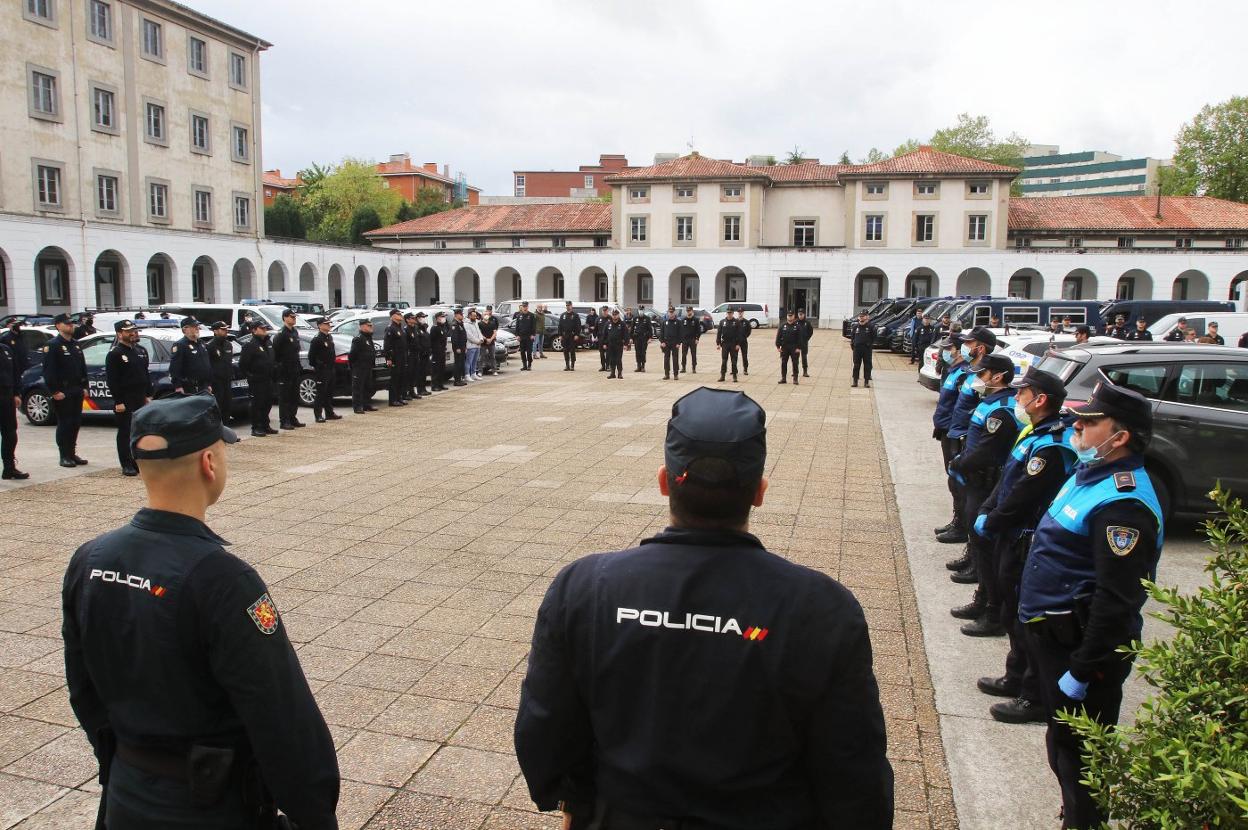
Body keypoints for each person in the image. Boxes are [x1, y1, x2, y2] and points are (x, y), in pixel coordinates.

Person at [515, 387, 893, 829]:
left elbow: (545, 723)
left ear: (662, 482)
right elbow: (851, 759)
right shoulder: (822, 606)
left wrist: (572, 799)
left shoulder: (584, 587)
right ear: (759, 493)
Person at [61, 395, 340, 828]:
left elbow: (83, 687)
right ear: (209, 463)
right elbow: (280, 716)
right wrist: (315, 813)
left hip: (126, 795)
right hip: (211, 806)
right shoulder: (224, 580)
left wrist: (123, 764)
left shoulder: (90, 559)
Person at [1019, 382, 1164, 830]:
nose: (1077, 425)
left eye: (1090, 422)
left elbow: (1117, 602)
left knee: (1080, 760)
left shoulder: (1123, 506)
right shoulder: (1090, 475)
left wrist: (1083, 670)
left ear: (1119, 437)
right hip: (1053, 637)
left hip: (1081, 649)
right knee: (1062, 746)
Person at [972, 367, 1077, 726]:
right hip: (1009, 532)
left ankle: (1032, 695)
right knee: (1010, 610)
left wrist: (995, 517)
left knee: (1025, 617)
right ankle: (1014, 676)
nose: (1017, 398)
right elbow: (1007, 480)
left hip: (1023, 537)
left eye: (1023, 393)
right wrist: (988, 509)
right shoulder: (1034, 432)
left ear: (1041, 399)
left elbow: (1022, 495)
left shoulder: (1051, 444)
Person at [947, 352, 1021, 638]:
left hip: (985, 479)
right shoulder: (988, 402)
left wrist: (959, 463)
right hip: (974, 478)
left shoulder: (1002, 408)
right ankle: (982, 597)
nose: (978, 378)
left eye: (983, 374)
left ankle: (991, 610)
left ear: (998, 376)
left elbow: (988, 451)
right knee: (977, 538)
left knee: (985, 543)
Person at [931, 330, 974, 543]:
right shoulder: (953, 370)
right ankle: (957, 520)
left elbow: (961, 407)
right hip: (947, 430)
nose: (944, 352)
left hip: (955, 433)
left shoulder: (964, 373)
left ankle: (962, 526)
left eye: (949, 349)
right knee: (952, 478)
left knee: (958, 480)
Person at [104, 320, 152, 477]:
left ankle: (136, 460)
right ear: (120, 334)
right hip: (125, 399)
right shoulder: (115, 354)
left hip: (139, 397)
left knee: (138, 432)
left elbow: (145, 374)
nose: (133, 333)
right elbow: (113, 380)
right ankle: (126, 463)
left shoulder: (139, 351)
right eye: (128, 331)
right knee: (125, 432)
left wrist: (148, 394)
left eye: (134, 330)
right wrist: (118, 401)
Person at [43, 313, 89, 467]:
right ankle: (64, 455)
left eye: (72, 323)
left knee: (75, 422)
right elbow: (49, 371)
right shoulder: (53, 345)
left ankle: (72, 452)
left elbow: (82, 367)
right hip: (63, 390)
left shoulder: (75, 344)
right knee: (65, 423)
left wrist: (84, 386)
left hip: (76, 389)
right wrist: (54, 391)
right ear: (58, 325)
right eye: (67, 323)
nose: (71, 326)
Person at [238, 319, 277, 437]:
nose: (265, 330)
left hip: (268, 378)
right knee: (257, 404)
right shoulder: (250, 345)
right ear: (254, 330)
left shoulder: (267, 342)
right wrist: (251, 376)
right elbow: (243, 364)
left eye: (265, 328)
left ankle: (265, 425)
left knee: (267, 403)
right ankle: (256, 427)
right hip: (257, 380)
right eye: (262, 328)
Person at [0, 332, 28, 480]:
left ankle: (9, 468)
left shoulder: (5, 349)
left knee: (10, 434)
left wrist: (16, 393)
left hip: (6, 396)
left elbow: (15, 373)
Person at [307, 317, 340, 423]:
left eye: (329, 323)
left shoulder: (329, 337)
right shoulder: (317, 339)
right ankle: (318, 415)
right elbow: (311, 356)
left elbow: (332, 352)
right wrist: (319, 366)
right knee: (321, 393)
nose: (329, 325)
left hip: (330, 368)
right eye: (326, 324)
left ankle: (329, 413)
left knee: (329, 392)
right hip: (322, 370)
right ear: (320, 326)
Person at [169, 318, 212, 396]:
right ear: (185, 329)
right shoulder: (180, 345)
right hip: (190, 387)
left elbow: (206, 364)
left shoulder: (201, 343)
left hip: (203, 385)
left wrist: (208, 383)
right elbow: (175, 368)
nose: (197, 328)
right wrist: (178, 386)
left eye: (197, 326)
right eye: (193, 326)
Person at [205, 322, 234, 425]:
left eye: (226, 329)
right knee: (218, 407)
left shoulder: (228, 344)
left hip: (227, 380)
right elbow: (207, 366)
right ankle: (217, 432)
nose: (226, 331)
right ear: (215, 331)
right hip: (216, 382)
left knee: (227, 406)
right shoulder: (210, 346)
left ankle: (226, 431)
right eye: (223, 329)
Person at [349, 318, 378, 412]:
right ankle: (357, 407)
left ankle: (367, 404)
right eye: (368, 326)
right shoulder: (358, 339)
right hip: (359, 367)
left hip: (368, 367)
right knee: (358, 388)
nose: (371, 327)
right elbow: (352, 355)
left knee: (367, 386)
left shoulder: (368, 338)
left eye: (371, 325)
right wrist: (355, 366)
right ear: (362, 327)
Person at [383, 309, 408, 406]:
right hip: (395, 357)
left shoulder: (399, 328)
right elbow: (387, 344)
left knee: (401, 378)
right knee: (394, 379)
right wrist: (388, 358)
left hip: (402, 357)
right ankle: (393, 400)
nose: (400, 315)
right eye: (398, 314)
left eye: (400, 314)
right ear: (393, 316)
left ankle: (399, 397)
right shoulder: (390, 328)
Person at [775, 309, 807, 384]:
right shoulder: (783, 326)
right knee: (783, 363)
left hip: (794, 348)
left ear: (794, 316)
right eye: (788, 316)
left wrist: (799, 348)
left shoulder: (797, 326)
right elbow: (778, 336)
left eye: (791, 316)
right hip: (784, 347)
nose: (790, 317)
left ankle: (795, 379)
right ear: (787, 316)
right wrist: (778, 346)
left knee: (795, 363)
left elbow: (800, 338)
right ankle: (783, 378)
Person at [848, 310, 875, 388]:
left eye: (863, 316)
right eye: (860, 316)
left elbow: (874, 337)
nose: (861, 318)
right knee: (856, 365)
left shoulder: (870, 327)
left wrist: (869, 344)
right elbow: (852, 337)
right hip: (857, 349)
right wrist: (853, 345)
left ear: (867, 317)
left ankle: (866, 382)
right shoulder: (855, 327)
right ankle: (855, 381)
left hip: (867, 349)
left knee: (867, 365)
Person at [716, 310, 741, 383]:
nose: (729, 314)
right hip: (725, 344)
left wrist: (738, 344)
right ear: (726, 313)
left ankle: (734, 376)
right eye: (728, 313)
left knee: (733, 361)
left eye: (731, 313)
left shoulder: (736, 322)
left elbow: (739, 334)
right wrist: (718, 344)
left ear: (733, 313)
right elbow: (719, 333)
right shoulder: (722, 322)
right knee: (724, 360)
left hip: (733, 344)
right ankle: (722, 376)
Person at [604, 309, 628, 379]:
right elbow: (605, 334)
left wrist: (626, 344)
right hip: (610, 345)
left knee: (618, 359)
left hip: (619, 345)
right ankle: (612, 373)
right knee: (611, 359)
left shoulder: (622, 324)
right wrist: (604, 343)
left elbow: (626, 334)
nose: (614, 316)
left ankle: (620, 373)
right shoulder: (608, 324)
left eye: (616, 315)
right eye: (613, 315)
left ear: (618, 315)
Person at [413, 312, 432, 396]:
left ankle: (423, 388)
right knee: (420, 373)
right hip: (420, 354)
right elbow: (417, 342)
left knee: (424, 372)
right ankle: (420, 389)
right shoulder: (416, 328)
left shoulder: (423, 327)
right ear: (417, 318)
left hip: (426, 353)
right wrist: (421, 350)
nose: (423, 318)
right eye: (422, 317)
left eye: (424, 317)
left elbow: (427, 339)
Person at [659, 308, 682, 380]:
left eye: (672, 313)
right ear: (668, 313)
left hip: (675, 343)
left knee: (675, 359)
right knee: (666, 359)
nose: (671, 314)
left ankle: (676, 374)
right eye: (670, 312)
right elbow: (661, 333)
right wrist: (662, 342)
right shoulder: (664, 322)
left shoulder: (678, 322)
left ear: (674, 313)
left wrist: (679, 343)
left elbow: (681, 333)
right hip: (666, 343)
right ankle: (666, 374)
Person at [429, 312, 450, 390]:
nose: (444, 318)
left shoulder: (442, 327)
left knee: (441, 368)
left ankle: (440, 384)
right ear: (438, 318)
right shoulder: (434, 328)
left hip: (442, 351)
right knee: (436, 369)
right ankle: (434, 385)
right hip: (436, 352)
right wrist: (433, 350)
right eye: (442, 316)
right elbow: (432, 340)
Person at [557, 301, 580, 371]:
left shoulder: (575, 315)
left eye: (569, 305)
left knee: (572, 350)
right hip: (564, 336)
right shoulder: (563, 315)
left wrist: (577, 334)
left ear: (571, 306)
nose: (568, 306)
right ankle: (567, 365)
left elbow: (578, 326)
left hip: (572, 336)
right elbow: (560, 326)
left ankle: (572, 365)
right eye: (567, 305)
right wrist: (560, 335)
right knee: (565, 350)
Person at [513, 301, 536, 371]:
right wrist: (517, 335)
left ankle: (529, 365)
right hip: (521, 337)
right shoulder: (519, 316)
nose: (524, 307)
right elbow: (517, 327)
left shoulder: (531, 315)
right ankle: (524, 365)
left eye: (525, 306)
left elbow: (534, 326)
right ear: (522, 307)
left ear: (527, 307)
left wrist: (533, 335)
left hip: (529, 337)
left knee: (529, 352)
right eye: (523, 306)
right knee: (522, 352)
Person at [402, 312, 420, 398]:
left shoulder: (415, 328)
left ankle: (412, 391)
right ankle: (407, 392)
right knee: (409, 374)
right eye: (412, 318)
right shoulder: (406, 329)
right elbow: (406, 344)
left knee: (414, 373)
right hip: (410, 355)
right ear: (408, 320)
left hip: (416, 354)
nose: (414, 319)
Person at [680, 306, 701, 374]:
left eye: (690, 311)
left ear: (692, 311)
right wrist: (681, 339)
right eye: (687, 311)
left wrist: (697, 338)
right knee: (684, 354)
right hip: (685, 340)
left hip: (693, 340)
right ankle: (683, 367)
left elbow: (698, 330)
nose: (688, 312)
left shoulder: (696, 320)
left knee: (693, 354)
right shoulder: (683, 319)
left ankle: (694, 368)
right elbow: (681, 330)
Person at [450, 308, 468, 387]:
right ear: (456, 315)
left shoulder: (460, 323)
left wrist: (465, 346)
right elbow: (454, 337)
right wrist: (457, 347)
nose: (462, 316)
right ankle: (457, 380)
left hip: (462, 346)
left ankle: (459, 379)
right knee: (458, 364)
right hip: (458, 348)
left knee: (461, 364)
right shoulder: (455, 324)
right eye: (461, 314)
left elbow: (463, 336)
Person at [479, 306, 500, 376]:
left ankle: (494, 370)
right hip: (483, 343)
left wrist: (490, 339)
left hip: (492, 342)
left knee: (492, 357)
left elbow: (495, 332)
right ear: (482, 316)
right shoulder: (479, 324)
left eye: (487, 314)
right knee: (482, 357)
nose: (486, 316)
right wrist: (486, 339)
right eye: (484, 314)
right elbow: (479, 333)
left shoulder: (492, 323)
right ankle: (480, 371)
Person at [465, 307, 483, 381]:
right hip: (471, 346)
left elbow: (479, 332)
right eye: (474, 316)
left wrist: (481, 339)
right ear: (469, 316)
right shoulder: (466, 324)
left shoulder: (475, 323)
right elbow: (469, 336)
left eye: (476, 316)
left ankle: (473, 374)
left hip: (478, 345)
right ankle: (467, 375)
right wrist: (477, 341)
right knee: (469, 361)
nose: (475, 317)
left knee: (475, 361)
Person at [796, 308, 813, 377]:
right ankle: (795, 371)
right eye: (799, 314)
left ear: (804, 314)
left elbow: (811, 332)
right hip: (796, 343)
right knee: (796, 358)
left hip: (804, 343)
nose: (800, 316)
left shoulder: (807, 323)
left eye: (801, 314)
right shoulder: (795, 322)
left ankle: (805, 372)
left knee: (804, 357)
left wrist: (806, 338)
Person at [735, 308, 751, 375]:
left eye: (741, 312)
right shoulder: (735, 321)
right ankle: (734, 369)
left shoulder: (746, 322)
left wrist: (744, 337)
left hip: (744, 342)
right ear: (737, 313)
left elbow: (749, 331)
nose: (740, 313)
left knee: (744, 356)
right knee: (734, 356)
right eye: (739, 312)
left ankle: (745, 369)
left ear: (743, 312)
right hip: (736, 342)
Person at [596, 305, 611, 371]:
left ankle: (608, 366)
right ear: (602, 311)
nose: (605, 312)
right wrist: (595, 336)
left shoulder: (610, 318)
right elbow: (595, 328)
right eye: (604, 311)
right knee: (601, 353)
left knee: (608, 353)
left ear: (608, 311)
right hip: (601, 338)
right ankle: (603, 366)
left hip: (608, 339)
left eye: (606, 311)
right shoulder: (598, 319)